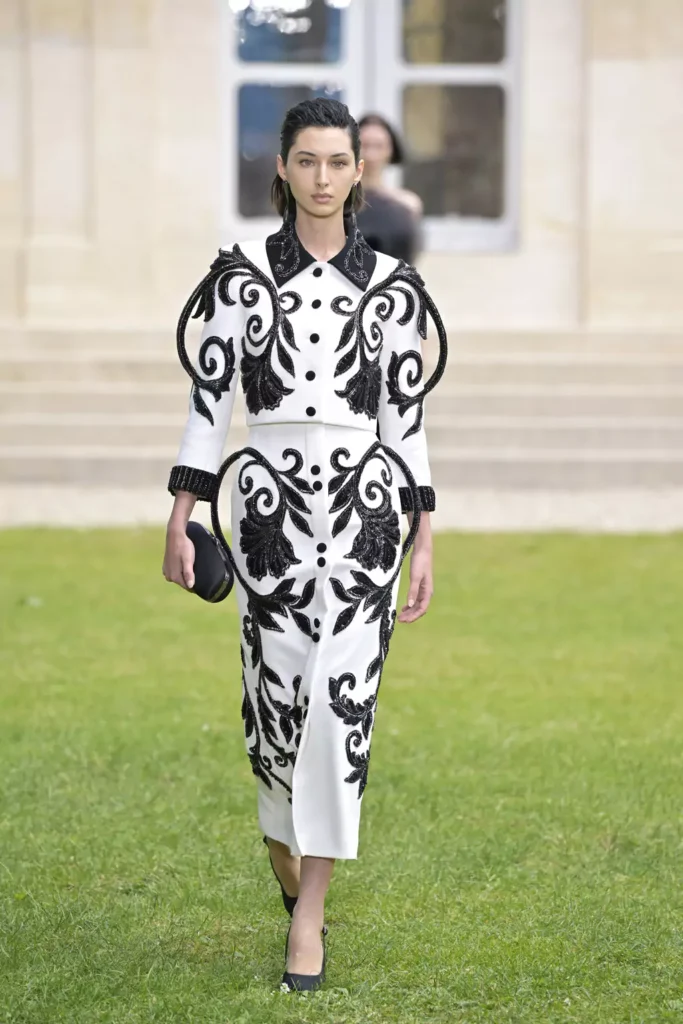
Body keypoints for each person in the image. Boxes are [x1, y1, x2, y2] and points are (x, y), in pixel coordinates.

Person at [162, 97, 447, 993]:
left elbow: (404, 419)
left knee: (342, 712)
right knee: (275, 717)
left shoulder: (391, 285)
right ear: (281, 168)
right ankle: (285, 847)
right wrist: (182, 511)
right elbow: (210, 409)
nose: (323, 178)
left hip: (364, 519)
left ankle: (309, 923)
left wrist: (425, 532)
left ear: (357, 172)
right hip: (267, 522)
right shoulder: (239, 275)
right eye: (307, 161)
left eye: (338, 162)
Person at [357, 113, 423, 264]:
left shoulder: (408, 204)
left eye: (379, 146)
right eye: (364, 145)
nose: (371, 154)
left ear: (391, 150)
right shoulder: (336, 202)